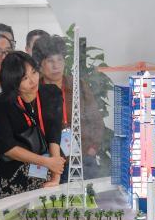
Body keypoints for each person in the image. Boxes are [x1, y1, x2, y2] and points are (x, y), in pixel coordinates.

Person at [32, 35, 105, 178]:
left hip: (83, 158)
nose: (56, 66)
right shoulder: (34, 90)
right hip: (50, 163)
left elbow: (96, 120)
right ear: (40, 64)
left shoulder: (78, 85)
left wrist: (92, 149)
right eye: (50, 61)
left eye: (60, 59)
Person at [0, 52, 65, 196]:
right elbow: (8, 148)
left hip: (49, 171)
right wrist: (46, 162)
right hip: (16, 176)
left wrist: (55, 175)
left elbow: (54, 134)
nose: (33, 81)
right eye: (25, 78)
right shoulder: (2, 102)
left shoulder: (51, 93)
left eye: (34, 72)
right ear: (12, 81)